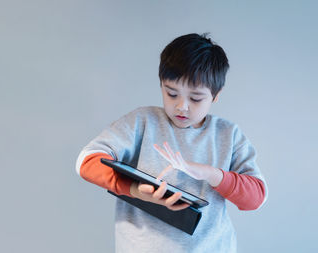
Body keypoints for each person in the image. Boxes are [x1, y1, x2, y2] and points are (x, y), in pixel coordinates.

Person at [75, 33, 267, 253]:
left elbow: (255, 198)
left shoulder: (228, 134)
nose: (181, 106)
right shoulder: (142, 122)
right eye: (171, 93)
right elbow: (86, 162)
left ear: (215, 95)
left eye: (195, 98)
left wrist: (209, 173)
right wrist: (136, 190)